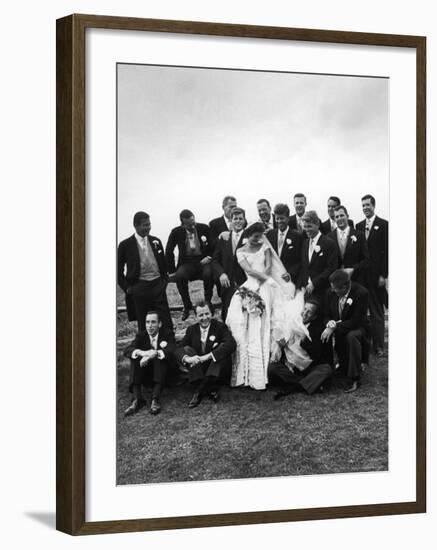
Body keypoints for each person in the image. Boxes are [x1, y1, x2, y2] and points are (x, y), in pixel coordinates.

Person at [226, 222, 308, 390]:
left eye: (260, 236)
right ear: (248, 235)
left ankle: (270, 367)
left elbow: (269, 266)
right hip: (251, 284)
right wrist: (257, 284)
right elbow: (249, 270)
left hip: (268, 283)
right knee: (245, 324)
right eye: (255, 237)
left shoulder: (264, 246)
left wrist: (266, 280)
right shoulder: (240, 251)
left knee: (268, 321)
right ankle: (248, 373)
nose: (258, 239)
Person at [117, 211, 172, 332]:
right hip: (139, 287)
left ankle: (169, 345)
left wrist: (164, 281)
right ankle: (145, 348)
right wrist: (128, 288)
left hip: (158, 285)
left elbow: (163, 263)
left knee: (165, 319)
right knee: (144, 323)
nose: (148, 228)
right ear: (136, 226)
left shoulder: (156, 241)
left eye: (149, 224)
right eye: (145, 225)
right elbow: (118, 271)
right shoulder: (125, 245)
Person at [268, 298, 334, 398]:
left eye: (309, 312)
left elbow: (317, 355)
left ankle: (295, 385)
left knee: (326, 369)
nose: (304, 313)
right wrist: (282, 345)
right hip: (291, 367)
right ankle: (305, 384)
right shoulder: (290, 324)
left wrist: (303, 340)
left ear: (314, 316)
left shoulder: (318, 329)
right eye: (304, 309)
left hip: (309, 367)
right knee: (272, 368)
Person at [177, 302, 236, 408]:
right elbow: (179, 348)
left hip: (215, 367)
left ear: (212, 313)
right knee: (187, 350)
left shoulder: (220, 327)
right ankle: (210, 389)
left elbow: (231, 344)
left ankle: (198, 392)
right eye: (200, 315)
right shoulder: (191, 330)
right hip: (198, 367)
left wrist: (209, 356)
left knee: (220, 351)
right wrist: (188, 358)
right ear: (196, 316)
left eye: (207, 314)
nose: (204, 318)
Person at [321, 270, 370, 393]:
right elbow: (326, 314)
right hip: (339, 325)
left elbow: (356, 321)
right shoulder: (330, 293)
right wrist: (329, 323)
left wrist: (334, 327)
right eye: (332, 288)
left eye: (336, 289)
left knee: (351, 336)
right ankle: (330, 369)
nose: (333, 291)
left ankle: (355, 377)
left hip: (358, 328)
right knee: (323, 333)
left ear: (345, 286)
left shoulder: (361, 293)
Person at [123, 311, 176, 415]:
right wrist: (143, 353)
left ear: (159, 324)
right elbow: (128, 350)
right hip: (146, 374)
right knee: (135, 358)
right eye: (147, 322)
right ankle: (137, 399)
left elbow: (172, 349)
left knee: (160, 357)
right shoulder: (141, 335)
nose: (150, 326)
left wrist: (154, 353)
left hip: (164, 374)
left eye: (153, 322)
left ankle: (155, 400)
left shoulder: (167, 333)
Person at [165, 209, 214, 321]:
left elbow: (213, 245)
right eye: (189, 224)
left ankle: (207, 303)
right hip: (187, 263)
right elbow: (168, 251)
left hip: (203, 261)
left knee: (208, 273)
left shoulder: (204, 228)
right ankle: (187, 306)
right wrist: (171, 270)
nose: (193, 225)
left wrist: (209, 257)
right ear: (182, 224)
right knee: (180, 276)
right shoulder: (176, 232)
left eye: (193, 222)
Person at [356, 194, 388, 356]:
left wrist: (384, 275)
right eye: (363, 205)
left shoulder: (384, 225)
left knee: (377, 312)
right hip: (362, 277)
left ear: (373, 206)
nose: (365, 208)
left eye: (368, 205)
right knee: (361, 312)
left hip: (376, 276)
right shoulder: (358, 226)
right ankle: (364, 345)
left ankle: (379, 346)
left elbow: (387, 252)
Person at [211, 207, 248, 321]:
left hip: (245, 283)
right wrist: (221, 274)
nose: (238, 221)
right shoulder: (224, 238)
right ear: (231, 221)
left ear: (244, 220)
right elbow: (214, 260)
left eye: (240, 218)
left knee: (245, 315)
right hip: (227, 285)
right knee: (228, 316)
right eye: (235, 218)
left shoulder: (249, 238)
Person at [297, 210, 338, 300]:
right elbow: (304, 267)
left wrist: (314, 283)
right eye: (305, 227)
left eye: (309, 226)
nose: (307, 230)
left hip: (323, 291)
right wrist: (301, 286)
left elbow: (331, 268)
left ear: (317, 225)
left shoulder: (329, 243)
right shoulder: (305, 243)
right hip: (306, 291)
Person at [328, 205, 369, 286]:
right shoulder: (329, 237)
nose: (339, 218)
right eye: (337, 217)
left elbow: (366, 259)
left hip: (355, 280)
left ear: (347, 216)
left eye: (342, 215)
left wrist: (353, 269)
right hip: (336, 282)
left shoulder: (359, 235)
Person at [266, 203, 303, 286]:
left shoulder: (297, 236)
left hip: (290, 280)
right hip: (274, 279)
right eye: (277, 218)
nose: (279, 221)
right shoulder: (270, 235)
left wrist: (290, 274)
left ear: (288, 218)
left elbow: (300, 260)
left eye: (282, 218)